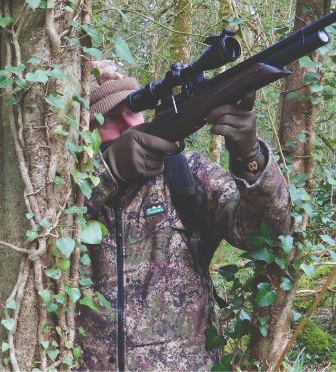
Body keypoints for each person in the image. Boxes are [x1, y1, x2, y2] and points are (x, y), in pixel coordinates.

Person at [78, 60, 291, 371]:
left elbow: (268, 235)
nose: (129, 126)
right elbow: (37, 245)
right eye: (110, 118)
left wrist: (250, 156)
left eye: (133, 111)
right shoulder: (65, 193)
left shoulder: (184, 172)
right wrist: (105, 172)